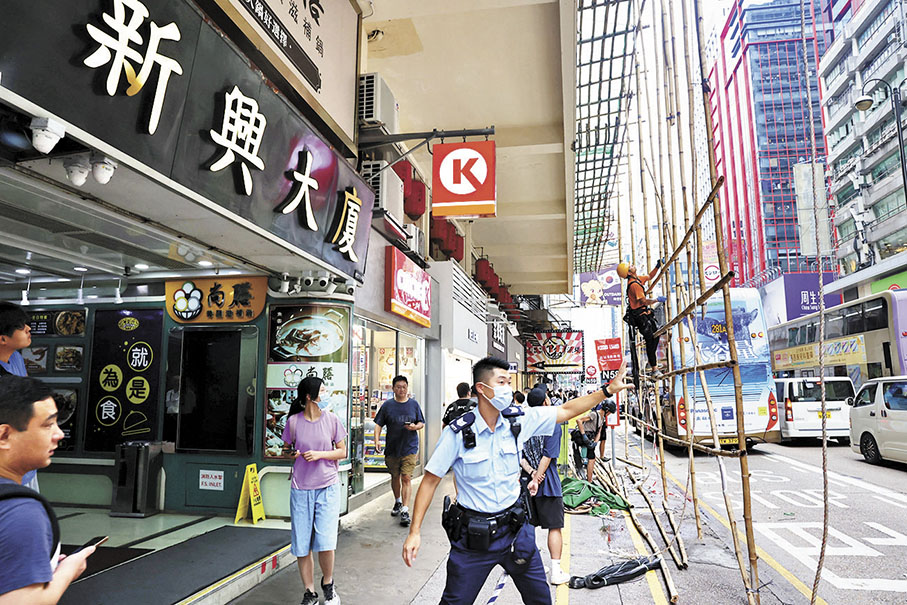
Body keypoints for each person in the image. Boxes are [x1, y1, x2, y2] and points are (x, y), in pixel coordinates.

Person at [402, 357, 633, 604]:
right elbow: (429, 481)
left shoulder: (519, 420)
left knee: (541, 600)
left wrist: (607, 390)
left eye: (509, 382)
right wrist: (414, 532)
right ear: (482, 388)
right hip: (473, 540)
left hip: (515, 531)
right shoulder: (457, 433)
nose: (507, 388)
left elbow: (566, 410)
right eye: (501, 381)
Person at [0, 375, 95, 603]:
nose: (59, 434)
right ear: (4, 435)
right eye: (47, 424)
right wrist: (68, 570)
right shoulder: (21, 512)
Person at [282, 376, 346, 605]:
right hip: (300, 488)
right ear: (309, 396)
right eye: (322, 390)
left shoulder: (332, 420)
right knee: (302, 543)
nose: (326, 393)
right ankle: (309, 592)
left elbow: (342, 452)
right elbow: (285, 450)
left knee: (326, 541)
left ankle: (328, 584)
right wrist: (293, 454)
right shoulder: (293, 423)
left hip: (327, 487)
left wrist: (319, 455)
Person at [521, 387, 569, 585]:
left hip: (525, 481)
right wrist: (538, 478)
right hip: (547, 483)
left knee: (529, 525)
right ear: (546, 403)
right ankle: (556, 571)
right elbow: (547, 456)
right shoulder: (552, 424)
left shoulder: (523, 422)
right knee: (554, 527)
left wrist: (531, 474)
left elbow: (520, 456)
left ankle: (535, 565)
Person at [374, 375, 425, 527]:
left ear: (407, 388)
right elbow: (378, 424)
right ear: (393, 388)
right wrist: (377, 440)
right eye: (398, 387)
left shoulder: (413, 405)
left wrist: (415, 427)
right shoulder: (387, 406)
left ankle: (405, 509)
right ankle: (397, 501)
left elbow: (421, 422)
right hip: (392, 447)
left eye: (404, 387)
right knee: (395, 476)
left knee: (406, 478)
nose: (401, 390)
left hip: (409, 447)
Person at [0, 301, 40, 493]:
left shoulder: (15, 357)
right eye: (20, 326)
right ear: (3, 339)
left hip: (25, 466)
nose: (28, 328)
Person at [617, 260, 665, 378]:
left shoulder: (637, 279)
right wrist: (656, 300)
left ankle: (651, 363)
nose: (633, 265)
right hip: (641, 317)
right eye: (631, 266)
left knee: (656, 335)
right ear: (628, 272)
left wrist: (657, 266)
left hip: (645, 314)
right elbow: (643, 301)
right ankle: (654, 368)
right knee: (650, 340)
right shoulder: (634, 285)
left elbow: (649, 276)